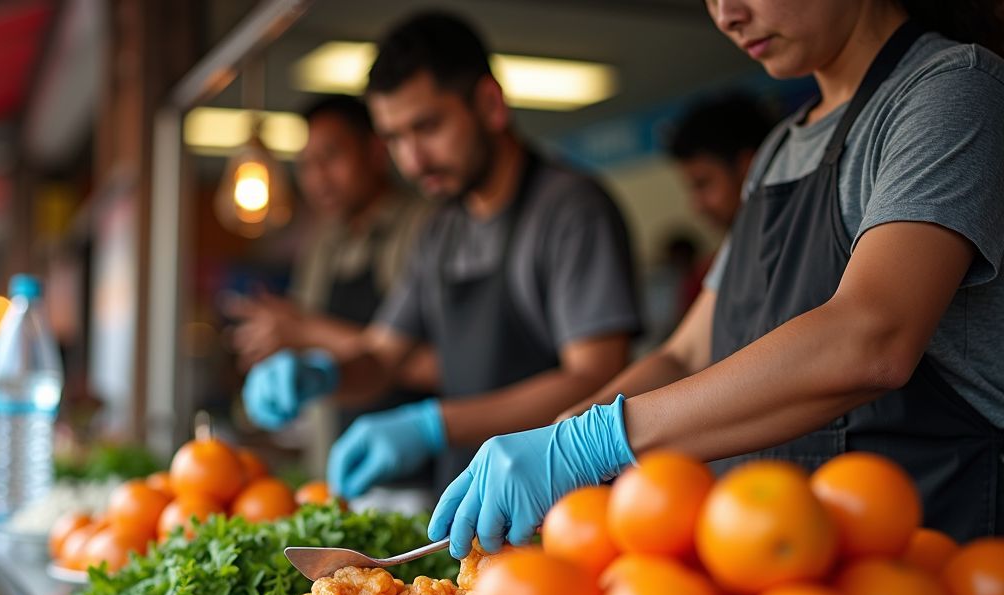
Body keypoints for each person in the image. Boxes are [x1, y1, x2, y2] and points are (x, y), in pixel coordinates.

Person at [430, 0, 1004, 558]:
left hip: (922, 569)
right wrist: (565, 430)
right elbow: (685, 352)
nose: (727, 15)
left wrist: (596, 443)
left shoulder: (953, 91)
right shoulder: (780, 151)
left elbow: (872, 336)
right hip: (773, 565)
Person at [242, 11, 641, 499]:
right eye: (393, 138)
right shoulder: (442, 229)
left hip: (567, 499)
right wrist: (324, 374)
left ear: (490, 104)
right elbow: (383, 357)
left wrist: (433, 425)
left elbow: (595, 376)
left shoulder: (571, 211)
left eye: (427, 127)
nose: (412, 160)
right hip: (472, 500)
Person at [228, 95, 433, 476]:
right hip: (338, 466)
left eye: (331, 157)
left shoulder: (423, 227)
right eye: (306, 164)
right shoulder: (322, 243)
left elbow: (434, 363)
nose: (317, 177)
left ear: (375, 151)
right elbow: (301, 338)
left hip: (427, 473)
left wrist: (306, 331)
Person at [663, 91, 778, 315]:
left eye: (703, 184)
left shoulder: (798, 250)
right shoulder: (716, 269)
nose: (697, 205)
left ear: (749, 166)